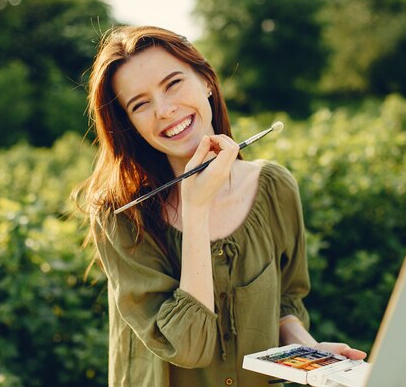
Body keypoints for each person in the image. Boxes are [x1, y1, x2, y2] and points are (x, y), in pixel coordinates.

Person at [74, 25, 366, 387]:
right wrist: (196, 210)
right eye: (140, 104)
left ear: (206, 82)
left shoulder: (275, 188)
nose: (164, 110)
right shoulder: (121, 215)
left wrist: (313, 356)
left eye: (173, 84)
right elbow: (189, 348)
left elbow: (285, 302)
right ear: (130, 125)